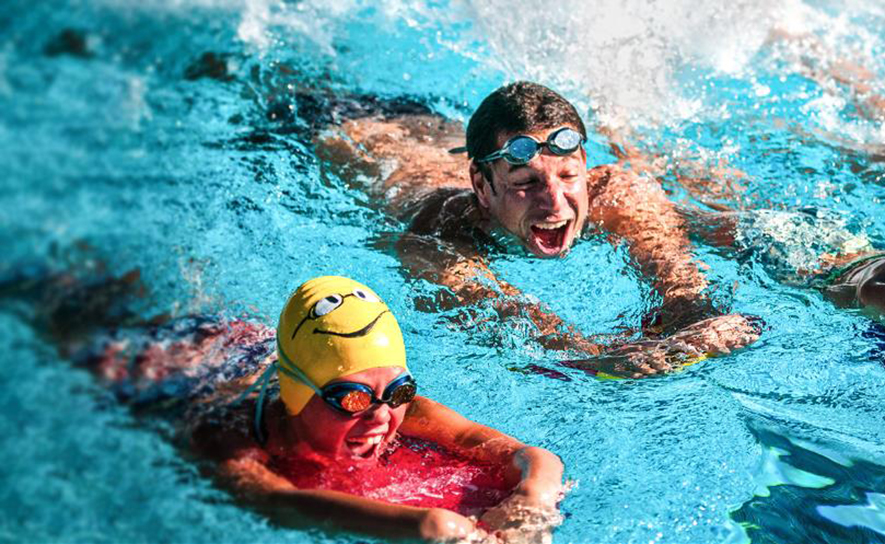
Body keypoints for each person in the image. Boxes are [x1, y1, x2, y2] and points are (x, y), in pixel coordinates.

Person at [4, 268, 565, 541]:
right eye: (351, 398)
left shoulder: (395, 406)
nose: (381, 417)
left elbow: (530, 457)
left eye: (397, 391)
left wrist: (532, 499)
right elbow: (284, 505)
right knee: (70, 328)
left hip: (253, 348)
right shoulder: (226, 438)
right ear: (297, 396)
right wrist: (429, 525)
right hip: (169, 374)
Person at [313, 82, 762, 376]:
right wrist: (608, 361)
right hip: (333, 121)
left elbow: (681, 287)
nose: (555, 203)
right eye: (526, 183)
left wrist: (701, 325)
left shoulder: (617, 195)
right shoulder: (437, 235)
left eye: (567, 176)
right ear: (481, 186)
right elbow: (521, 325)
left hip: (434, 120)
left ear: (584, 165)